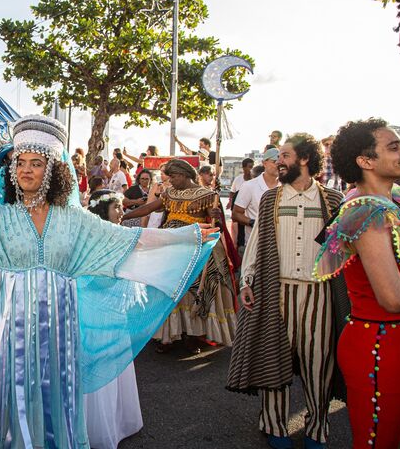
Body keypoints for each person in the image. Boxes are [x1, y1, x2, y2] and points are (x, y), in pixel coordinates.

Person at [0, 115, 218, 448]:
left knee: (56, 397)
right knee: (10, 397)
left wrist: (185, 238)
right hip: (7, 332)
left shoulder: (75, 220)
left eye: (36, 163)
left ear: (52, 170)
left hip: (60, 330)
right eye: (20, 163)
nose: (26, 170)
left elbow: (127, 240)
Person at [227, 133, 344, 449]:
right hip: (275, 291)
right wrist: (247, 280)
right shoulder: (270, 198)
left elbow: (339, 251)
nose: (279, 161)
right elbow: (257, 241)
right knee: (272, 360)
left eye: (285, 156)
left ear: (305, 159)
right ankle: (274, 426)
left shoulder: (332, 200)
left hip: (319, 294)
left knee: (319, 366)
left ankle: (317, 428)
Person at [314, 119, 400, 449]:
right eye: (393, 147)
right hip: (381, 347)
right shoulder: (366, 212)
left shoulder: (395, 201)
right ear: (365, 162)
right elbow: (394, 298)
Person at [123, 159, 237, 352]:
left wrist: (216, 214)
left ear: (184, 175)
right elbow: (150, 208)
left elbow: (214, 221)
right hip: (171, 242)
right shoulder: (170, 193)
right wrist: (124, 216)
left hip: (196, 244)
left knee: (194, 289)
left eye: (173, 177)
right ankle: (168, 336)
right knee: (168, 286)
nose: (171, 181)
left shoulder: (207, 195)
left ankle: (192, 336)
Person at [84, 189, 143, 449]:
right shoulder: (93, 238)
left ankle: (118, 419)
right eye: (116, 207)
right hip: (97, 309)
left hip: (116, 310)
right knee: (99, 361)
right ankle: (98, 425)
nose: (121, 212)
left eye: (122, 207)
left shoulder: (122, 235)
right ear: (102, 210)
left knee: (116, 362)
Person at [232, 148, 280, 246]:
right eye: (274, 161)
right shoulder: (249, 186)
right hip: (254, 245)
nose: (278, 165)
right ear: (264, 163)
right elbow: (236, 214)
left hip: (279, 245)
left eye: (280, 162)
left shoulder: (286, 186)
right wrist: (253, 223)